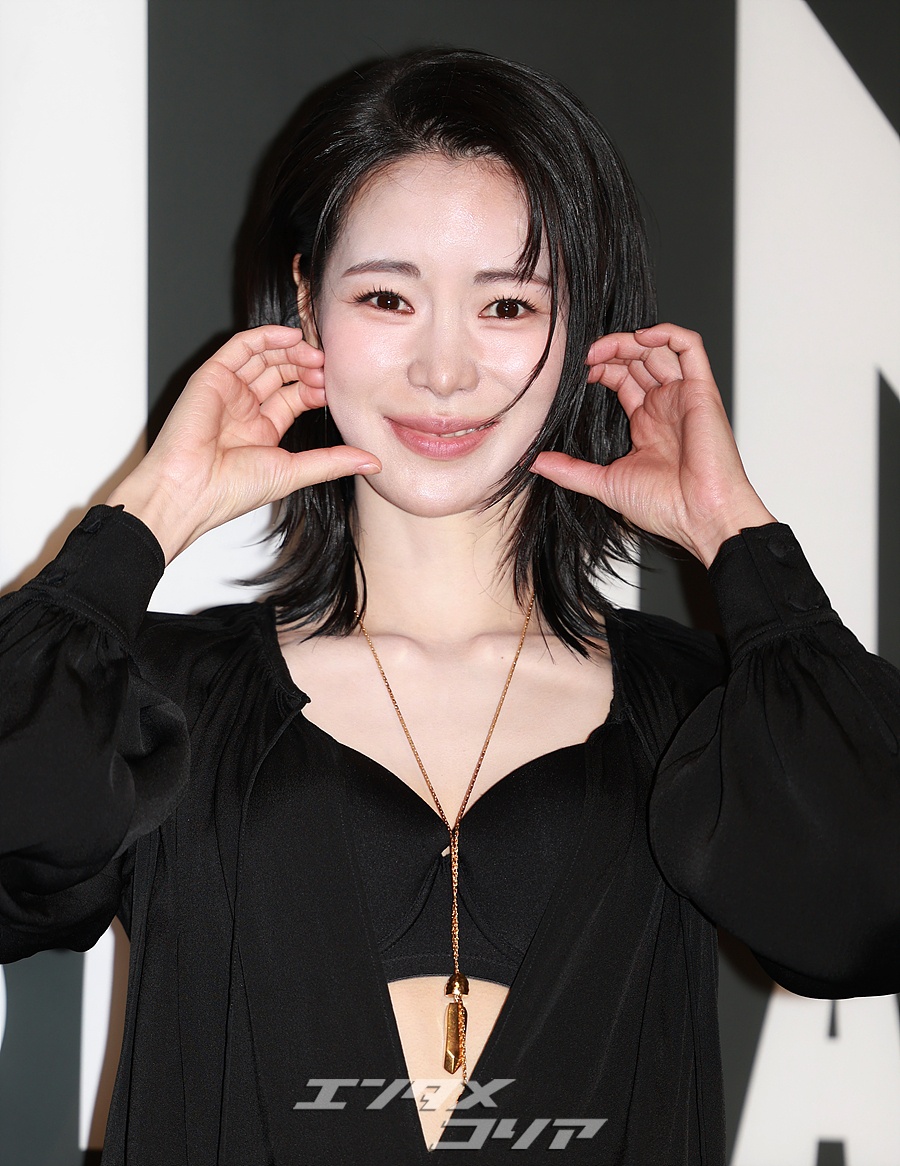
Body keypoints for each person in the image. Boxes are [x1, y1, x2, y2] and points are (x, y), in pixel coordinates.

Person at [1, 48, 898, 1164]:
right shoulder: (163, 697)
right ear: (305, 304)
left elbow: (865, 916)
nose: (443, 367)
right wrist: (147, 516)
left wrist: (738, 539)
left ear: (582, 333)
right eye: (387, 297)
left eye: (507, 304)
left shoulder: (699, 714)